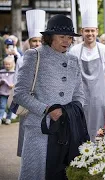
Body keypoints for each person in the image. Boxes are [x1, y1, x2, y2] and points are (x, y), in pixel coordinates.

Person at [13, 14, 84, 180]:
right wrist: (47, 110)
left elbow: (79, 94)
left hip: (66, 128)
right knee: (37, 174)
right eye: (61, 37)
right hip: (39, 129)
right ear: (49, 37)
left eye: (69, 37)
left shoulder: (74, 60)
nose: (66, 41)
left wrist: (71, 112)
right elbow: (20, 93)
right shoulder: (34, 55)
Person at [69, 0, 105, 141]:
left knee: (100, 130)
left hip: (100, 99)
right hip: (80, 99)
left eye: (92, 30)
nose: (90, 34)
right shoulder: (75, 51)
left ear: (97, 31)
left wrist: (97, 91)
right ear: (82, 32)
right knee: (81, 128)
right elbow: (71, 75)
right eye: (87, 31)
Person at [15, 9, 46, 158]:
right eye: (34, 40)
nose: (37, 44)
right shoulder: (22, 59)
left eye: (40, 41)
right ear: (29, 42)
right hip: (27, 101)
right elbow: (17, 82)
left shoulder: (48, 58)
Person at [0, 56, 15, 125]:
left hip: (11, 93)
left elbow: (16, 83)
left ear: (12, 64)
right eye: (6, 64)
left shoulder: (14, 73)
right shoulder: (1, 72)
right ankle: (0, 117)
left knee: (10, 107)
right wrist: (1, 82)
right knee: (2, 106)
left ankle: (8, 118)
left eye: (9, 64)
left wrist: (13, 85)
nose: (7, 66)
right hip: (3, 93)